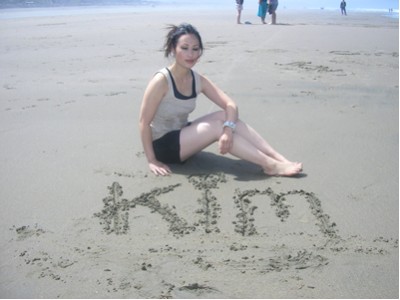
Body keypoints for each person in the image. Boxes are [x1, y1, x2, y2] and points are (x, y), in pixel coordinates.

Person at [139, 23, 303, 177]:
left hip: (182, 133)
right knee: (217, 127)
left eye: (195, 49)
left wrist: (229, 130)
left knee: (225, 116)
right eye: (184, 48)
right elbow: (143, 122)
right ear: (173, 49)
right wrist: (152, 160)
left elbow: (230, 105)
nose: (191, 54)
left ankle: (278, 158)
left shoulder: (198, 79)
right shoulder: (161, 81)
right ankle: (270, 165)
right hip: (163, 146)